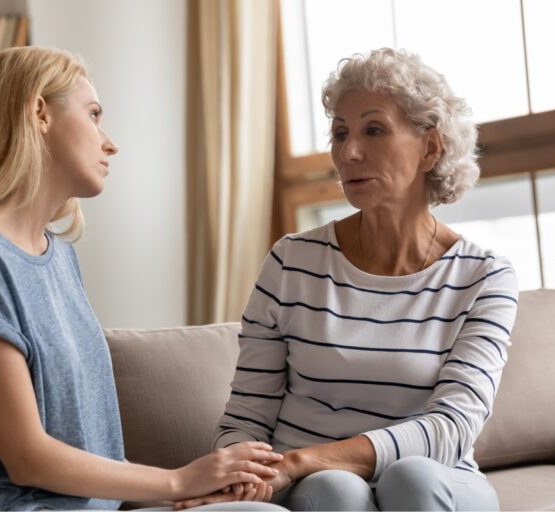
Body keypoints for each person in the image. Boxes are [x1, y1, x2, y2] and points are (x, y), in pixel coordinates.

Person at [0, 46, 286, 511]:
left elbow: (89, 456)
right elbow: (26, 459)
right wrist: (180, 481)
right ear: (39, 113)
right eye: (94, 115)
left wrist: (193, 489)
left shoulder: (60, 257)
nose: (110, 142)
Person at [177, 48, 519, 511]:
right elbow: (246, 417)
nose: (348, 153)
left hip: (435, 478)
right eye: (340, 133)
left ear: (430, 148)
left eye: (374, 130)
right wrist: (243, 472)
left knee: (413, 477)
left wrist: (302, 460)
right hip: (313, 488)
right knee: (336, 488)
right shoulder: (292, 262)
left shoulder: (484, 277)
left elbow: (452, 427)